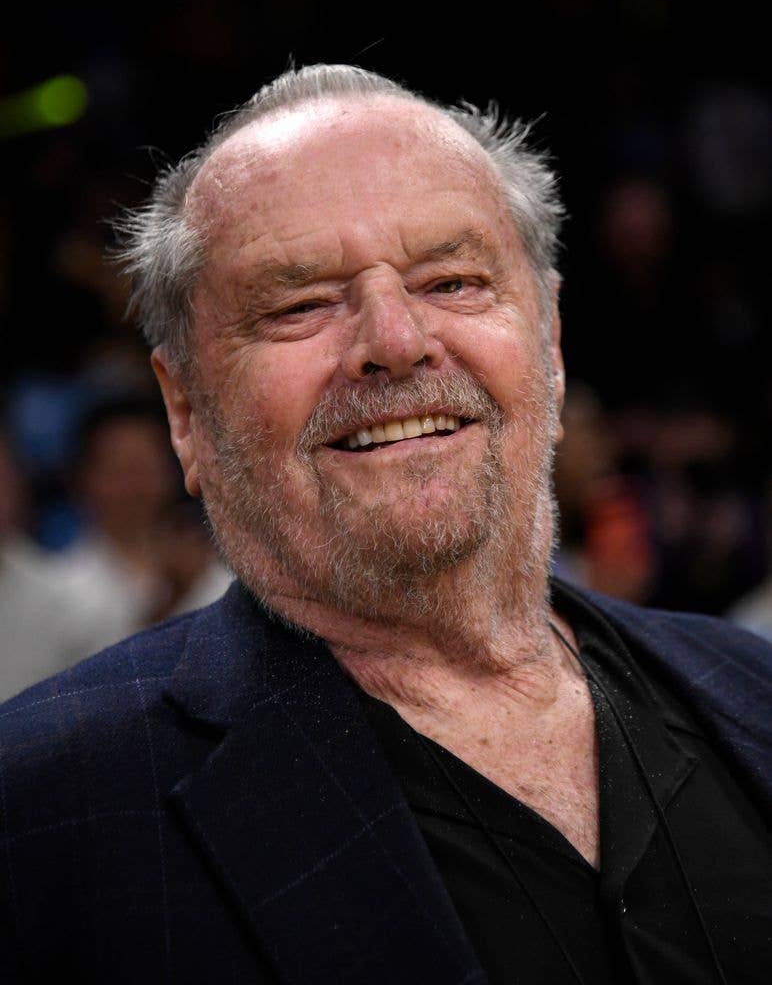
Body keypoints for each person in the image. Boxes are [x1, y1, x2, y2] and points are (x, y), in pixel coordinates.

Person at [0, 65, 769, 985]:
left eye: (451, 279)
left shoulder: (752, 690)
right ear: (186, 412)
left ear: (552, 346)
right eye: (301, 305)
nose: (397, 340)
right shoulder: (41, 812)